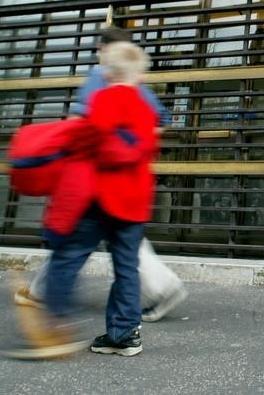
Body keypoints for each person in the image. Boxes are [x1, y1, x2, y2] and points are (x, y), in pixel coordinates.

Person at [13, 27, 187, 323]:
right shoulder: (139, 90)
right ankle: (124, 332)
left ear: (104, 51)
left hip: (96, 188)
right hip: (133, 192)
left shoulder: (102, 80)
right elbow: (160, 123)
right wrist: (135, 145)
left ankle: (52, 318)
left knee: (70, 249)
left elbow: (84, 128)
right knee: (126, 262)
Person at [6, 40, 159, 359]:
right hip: (132, 204)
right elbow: (136, 149)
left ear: (106, 73)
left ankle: (54, 330)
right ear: (139, 76)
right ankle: (123, 335)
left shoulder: (102, 99)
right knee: (127, 269)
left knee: (68, 258)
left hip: (96, 199)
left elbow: (95, 141)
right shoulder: (146, 111)